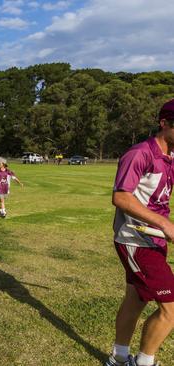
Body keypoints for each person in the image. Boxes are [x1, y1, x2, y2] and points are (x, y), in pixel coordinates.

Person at [104, 99, 174, 366]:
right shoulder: (140, 153)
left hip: (153, 239)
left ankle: (119, 358)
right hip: (137, 239)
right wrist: (164, 224)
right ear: (164, 124)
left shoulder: (170, 156)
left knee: (135, 299)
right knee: (171, 310)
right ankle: (143, 362)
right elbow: (121, 198)